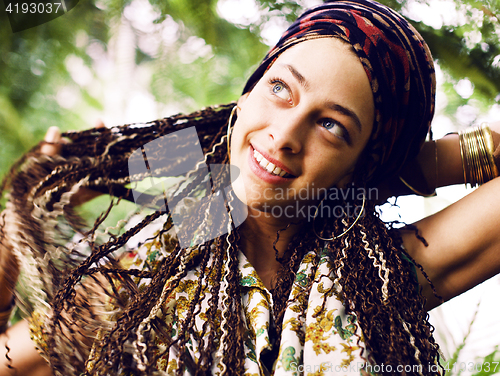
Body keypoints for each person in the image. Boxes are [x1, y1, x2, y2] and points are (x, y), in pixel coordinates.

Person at [0, 0, 499, 375]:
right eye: (280, 88)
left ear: (360, 166)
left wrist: (406, 168)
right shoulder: (140, 276)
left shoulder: (383, 280)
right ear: (246, 93)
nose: (283, 136)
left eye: (333, 126)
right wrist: (9, 237)